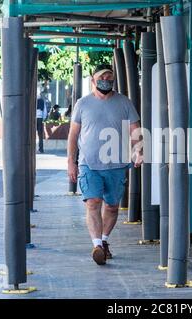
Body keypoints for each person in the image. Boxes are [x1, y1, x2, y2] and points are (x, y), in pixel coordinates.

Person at [67, 64, 143, 266]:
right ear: (93, 80)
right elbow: (73, 135)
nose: (106, 81)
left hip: (117, 165)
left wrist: (139, 151)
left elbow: (135, 129)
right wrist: (71, 163)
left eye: (110, 78)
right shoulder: (82, 104)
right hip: (89, 164)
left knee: (111, 206)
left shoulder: (124, 102)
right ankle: (97, 245)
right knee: (93, 203)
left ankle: (104, 240)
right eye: (102, 78)